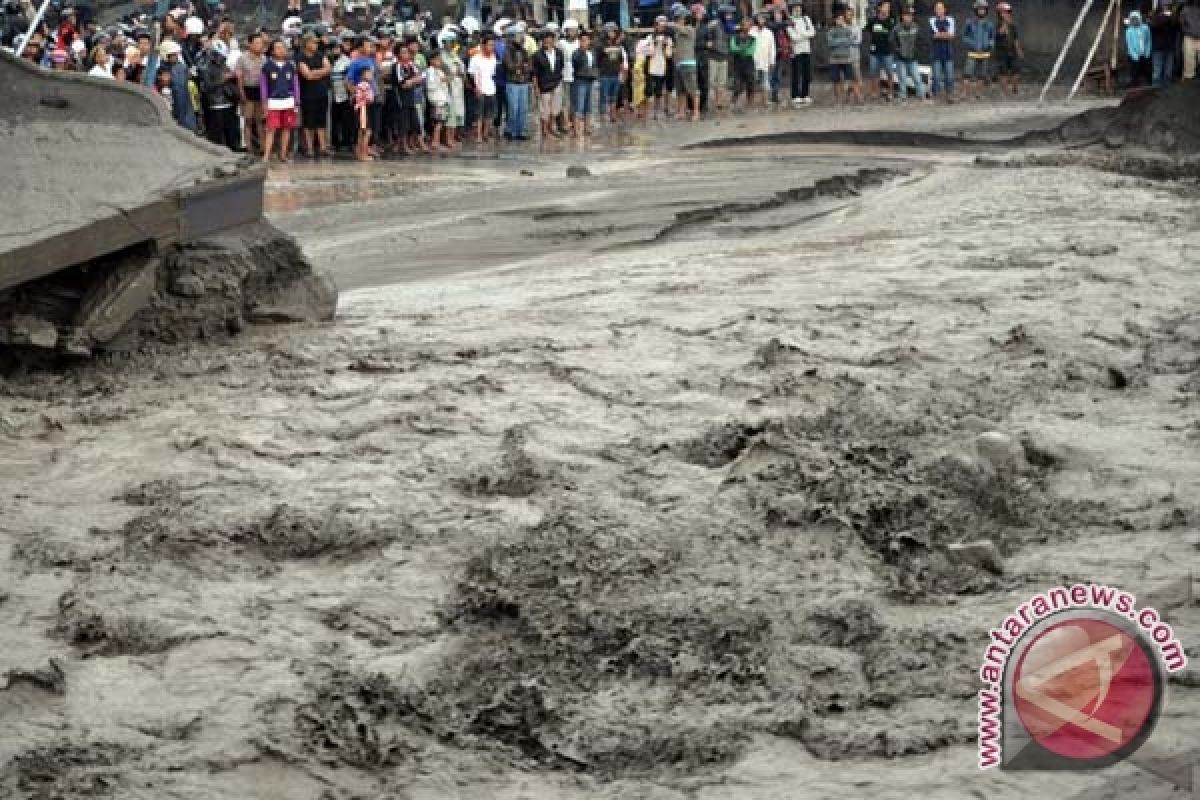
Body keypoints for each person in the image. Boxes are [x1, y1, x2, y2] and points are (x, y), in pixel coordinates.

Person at [260, 38, 300, 163]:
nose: (281, 50)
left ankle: (283, 154)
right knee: (271, 129)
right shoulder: (267, 66)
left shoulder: (290, 66)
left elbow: (295, 84)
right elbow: (263, 86)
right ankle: (266, 155)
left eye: (283, 47)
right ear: (272, 51)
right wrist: (264, 102)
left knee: (287, 128)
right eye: (278, 47)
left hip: (288, 101)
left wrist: (297, 100)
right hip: (273, 102)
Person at [297, 32, 332, 157]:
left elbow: (328, 69)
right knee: (308, 122)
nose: (316, 44)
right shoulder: (300, 57)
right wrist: (320, 72)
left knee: (321, 121)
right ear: (306, 43)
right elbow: (307, 75)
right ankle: (310, 147)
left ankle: (323, 147)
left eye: (317, 42)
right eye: (313, 42)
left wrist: (316, 72)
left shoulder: (320, 55)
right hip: (307, 93)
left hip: (321, 92)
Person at [200, 48, 241, 148]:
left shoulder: (224, 66)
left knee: (231, 130)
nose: (221, 58)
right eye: (220, 56)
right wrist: (223, 79)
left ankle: (233, 148)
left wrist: (233, 77)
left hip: (229, 101)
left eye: (223, 56)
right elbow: (208, 87)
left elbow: (231, 81)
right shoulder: (206, 68)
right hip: (216, 104)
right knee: (217, 132)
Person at [236, 33, 267, 154]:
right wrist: (241, 91)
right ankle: (249, 147)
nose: (259, 46)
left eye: (261, 43)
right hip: (248, 90)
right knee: (248, 120)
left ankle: (263, 146)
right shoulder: (242, 58)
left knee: (260, 120)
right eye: (257, 43)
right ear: (250, 44)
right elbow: (239, 76)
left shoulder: (264, 58)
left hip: (261, 91)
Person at [826, 4, 862, 105]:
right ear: (835, 20)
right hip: (834, 59)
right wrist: (843, 41)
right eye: (838, 19)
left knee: (852, 79)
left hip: (847, 59)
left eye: (842, 19)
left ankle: (859, 98)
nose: (840, 21)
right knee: (836, 81)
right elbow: (830, 44)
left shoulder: (848, 30)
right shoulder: (831, 31)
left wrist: (839, 41)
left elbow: (851, 41)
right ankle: (838, 100)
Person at [532, 28, 564, 138]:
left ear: (554, 41)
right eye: (546, 41)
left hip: (556, 83)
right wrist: (536, 88)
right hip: (543, 84)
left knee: (555, 109)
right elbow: (534, 73)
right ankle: (544, 130)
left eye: (550, 41)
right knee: (544, 109)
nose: (548, 43)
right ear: (542, 42)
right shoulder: (537, 55)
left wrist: (559, 81)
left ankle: (551, 128)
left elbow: (561, 67)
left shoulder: (559, 53)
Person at [502, 23, 531, 140]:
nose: (521, 37)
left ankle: (521, 130)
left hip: (523, 82)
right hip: (512, 82)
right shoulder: (507, 50)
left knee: (523, 109)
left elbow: (529, 66)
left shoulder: (524, 50)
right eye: (519, 35)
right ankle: (511, 130)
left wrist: (522, 68)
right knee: (513, 108)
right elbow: (509, 66)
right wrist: (520, 67)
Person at [865, 0, 898, 101]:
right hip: (874, 52)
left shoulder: (892, 21)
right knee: (874, 73)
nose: (887, 8)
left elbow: (894, 34)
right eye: (885, 6)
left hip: (887, 52)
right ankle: (875, 92)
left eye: (888, 7)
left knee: (889, 73)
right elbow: (867, 30)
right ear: (879, 8)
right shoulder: (873, 20)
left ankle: (890, 93)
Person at [891, 3, 925, 102]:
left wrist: (917, 51)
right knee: (902, 79)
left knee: (917, 78)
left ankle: (921, 96)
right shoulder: (897, 28)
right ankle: (903, 97)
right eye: (907, 15)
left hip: (912, 58)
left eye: (910, 15)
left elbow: (921, 40)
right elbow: (892, 41)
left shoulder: (916, 27)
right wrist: (897, 50)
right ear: (903, 16)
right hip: (900, 59)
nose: (908, 17)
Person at [468, 31, 498, 143]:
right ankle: (478, 135)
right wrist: (475, 87)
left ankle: (486, 134)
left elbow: (492, 74)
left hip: (491, 88)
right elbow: (471, 74)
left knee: (489, 114)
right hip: (479, 88)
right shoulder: (476, 58)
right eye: (490, 45)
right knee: (479, 114)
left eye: (493, 45)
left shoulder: (493, 58)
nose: (492, 47)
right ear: (484, 45)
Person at [671, 5, 700, 120]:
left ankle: (696, 112)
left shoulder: (690, 29)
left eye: (680, 18)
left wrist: (670, 24)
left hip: (689, 64)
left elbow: (679, 28)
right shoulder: (678, 32)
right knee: (680, 91)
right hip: (679, 64)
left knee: (693, 90)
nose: (679, 20)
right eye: (677, 18)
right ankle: (681, 112)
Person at [961, 0, 994, 99]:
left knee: (982, 75)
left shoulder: (989, 23)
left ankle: (978, 93)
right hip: (972, 53)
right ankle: (965, 93)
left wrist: (989, 44)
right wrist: (973, 44)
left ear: (986, 10)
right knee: (967, 74)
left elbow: (992, 38)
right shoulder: (969, 22)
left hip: (985, 53)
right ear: (975, 10)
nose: (981, 11)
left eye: (983, 9)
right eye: (980, 9)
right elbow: (964, 37)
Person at [644, 16, 673, 120]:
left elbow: (669, 55)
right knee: (648, 91)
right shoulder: (649, 37)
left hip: (661, 67)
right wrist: (653, 44)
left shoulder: (668, 39)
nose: (661, 27)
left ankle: (656, 112)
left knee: (658, 91)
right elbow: (646, 52)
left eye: (663, 26)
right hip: (651, 67)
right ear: (655, 25)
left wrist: (665, 45)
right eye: (659, 25)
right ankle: (647, 112)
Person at [597, 23, 627, 124]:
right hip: (605, 74)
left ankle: (612, 115)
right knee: (604, 97)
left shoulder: (618, 45)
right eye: (610, 31)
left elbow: (621, 60)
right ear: (606, 32)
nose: (612, 33)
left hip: (615, 74)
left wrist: (622, 72)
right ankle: (602, 115)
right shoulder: (600, 45)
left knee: (614, 96)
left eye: (614, 31)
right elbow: (597, 60)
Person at [786, 0, 814, 106]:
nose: (798, 9)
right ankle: (795, 95)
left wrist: (801, 34)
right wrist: (805, 34)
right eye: (795, 7)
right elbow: (793, 37)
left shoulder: (806, 19)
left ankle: (805, 94)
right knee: (796, 73)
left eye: (799, 7)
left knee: (807, 73)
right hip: (795, 50)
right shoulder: (789, 20)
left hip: (806, 49)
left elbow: (812, 32)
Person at [571, 28, 598, 137]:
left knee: (588, 106)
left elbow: (595, 65)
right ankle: (577, 130)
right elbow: (575, 63)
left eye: (586, 40)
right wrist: (581, 50)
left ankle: (587, 128)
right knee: (579, 106)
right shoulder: (576, 53)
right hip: (580, 80)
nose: (584, 42)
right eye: (582, 40)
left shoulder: (592, 52)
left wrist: (595, 75)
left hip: (590, 80)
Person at [993, 1, 1022, 96]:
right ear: (999, 14)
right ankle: (1005, 91)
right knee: (1003, 72)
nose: (1006, 14)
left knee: (1016, 69)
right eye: (1003, 12)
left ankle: (1015, 88)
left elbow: (1015, 38)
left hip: (1012, 51)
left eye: (1007, 12)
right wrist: (1005, 23)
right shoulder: (997, 25)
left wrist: (1018, 49)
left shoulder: (1013, 26)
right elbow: (1000, 33)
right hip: (1001, 52)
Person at [929, 0, 956, 101]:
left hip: (948, 53)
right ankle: (936, 95)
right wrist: (945, 35)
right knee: (936, 77)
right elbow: (934, 35)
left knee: (950, 77)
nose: (939, 10)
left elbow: (952, 36)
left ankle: (949, 95)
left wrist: (941, 35)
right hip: (936, 53)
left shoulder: (950, 20)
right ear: (935, 10)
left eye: (941, 8)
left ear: (945, 9)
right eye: (937, 8)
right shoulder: (932, 21)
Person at [426, 49, 451, 150]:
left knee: (441, 122)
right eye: (437, 59)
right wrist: (441, 80)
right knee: (438, 122)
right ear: (432, 60)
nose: (440, 61)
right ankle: (435, 142)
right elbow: (430, 86)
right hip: (437, 100)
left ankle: (437, 141)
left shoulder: (440, 71)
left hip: (443, 99)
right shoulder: (430, 71)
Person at [728, 17, 756, 110]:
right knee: (737, 85)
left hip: (749, 63)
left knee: (750, 83)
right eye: (745, 25)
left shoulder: (753, 38)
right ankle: (733, 102)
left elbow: (751, 51)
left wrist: (740, 49)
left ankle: (750, 102)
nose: (747, 27)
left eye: (749, 25)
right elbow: (733, 48)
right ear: (742, 26)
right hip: (737, 64)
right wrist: (743, 48)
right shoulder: (734, 37)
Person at [560, 19, 581, 134]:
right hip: (565, 74)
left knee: (575, 101)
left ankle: (574, 122)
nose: (572, 32)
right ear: (566, 31)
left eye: (574, 30)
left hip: (577, 75)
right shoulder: (561, 43)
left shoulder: (579, 42)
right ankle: (566, 122)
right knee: (565, 101)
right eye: (570, 30)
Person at [1149, 5, 1179, 88]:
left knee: (1168, 70)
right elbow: (1153, 26)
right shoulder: (1155, 20)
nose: (1166, 13)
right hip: (1158, 48)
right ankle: (1155, 87)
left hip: (1169, 47)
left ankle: (1167, 88)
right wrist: (1162, 17)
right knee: (1157, 70)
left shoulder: (1172, 20)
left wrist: (1172, 17)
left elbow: (1177, 26)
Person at [750, 13, 775, 109]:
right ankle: (752, 101)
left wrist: (772, 60)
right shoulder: (752, 31)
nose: (761, 21)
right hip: (753, 60)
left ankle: (765, 101)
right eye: (759, 19)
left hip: (765, 60)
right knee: (753, 81)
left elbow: (772, 47)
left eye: (763, 19)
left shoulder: (769, 32)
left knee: (765, 81)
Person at [1125, 11, 1152, 88]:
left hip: (1145, 55)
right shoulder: (1129, 31)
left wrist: (1147, 52)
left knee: (1147, 72)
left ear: (1139, 19)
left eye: (1135, 19)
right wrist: (1135, 56)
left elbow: (1149, 40)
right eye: (1132, 19)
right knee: (1135, 73)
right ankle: (1135, 89)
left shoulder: (1145, 28)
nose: (1134, 21)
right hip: (1134, 56)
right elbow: (1129, 45)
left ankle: (1148, 88)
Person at [353, 65, 374, 159]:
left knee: (361, 131)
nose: (370, 75)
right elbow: (368, 98)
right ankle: (363, 154)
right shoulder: (365, 85)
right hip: (363, 108)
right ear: (362, 76)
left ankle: (359, 152)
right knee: (367, 131)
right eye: (368, 73)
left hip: (361, 108)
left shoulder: (360, 85)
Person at [1182, 0, 1200, 81]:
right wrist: (1186, 30)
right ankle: (1188, 78)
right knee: (1188, 58)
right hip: (1189, 37)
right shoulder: (1185, 9)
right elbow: (1181, 22)